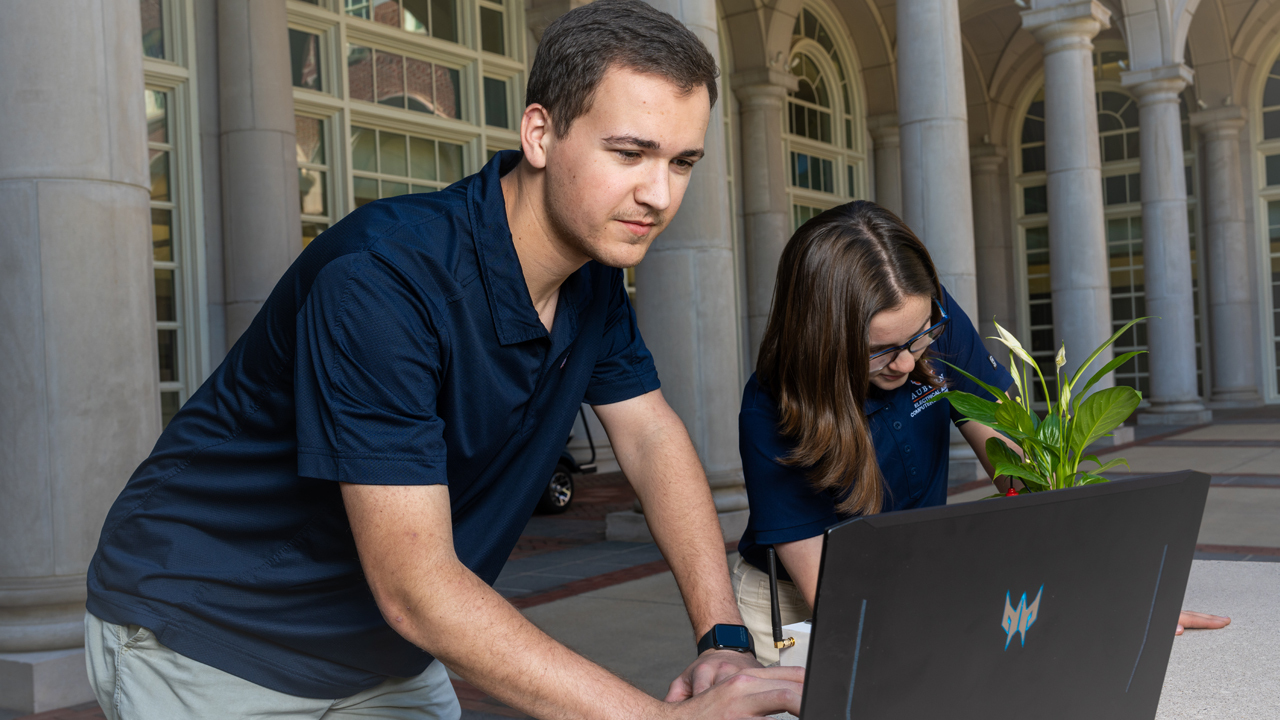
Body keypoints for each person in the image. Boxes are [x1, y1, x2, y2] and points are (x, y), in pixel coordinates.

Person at [84, 2, 801, 718]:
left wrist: (724, 638)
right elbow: (417, 589)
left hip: (379, 649)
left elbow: (649, 437)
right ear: (541, 132)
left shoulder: (593, 279)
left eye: (682, 162)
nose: (659, 193)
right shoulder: (383, 282)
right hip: (211, 631)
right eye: (630, 153)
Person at [730, 202, 1230, 664]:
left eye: (921, 335)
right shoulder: (772, 409)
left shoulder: (926, 320)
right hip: (808, 603)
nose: (907, 362)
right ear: (823, 338)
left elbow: (1014, 465)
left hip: (914, 569)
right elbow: (839, 601)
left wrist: (1102, 586)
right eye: (879, 349)